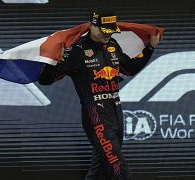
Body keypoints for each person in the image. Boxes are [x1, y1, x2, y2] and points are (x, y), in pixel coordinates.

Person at [38, 8, 161, 180]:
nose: (107, 35)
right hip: (95, 118)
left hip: (116, 115)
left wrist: (149, 48)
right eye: (104, 31)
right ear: (92, 26)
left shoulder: (112, 45)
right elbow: (45, 80)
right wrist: (52, 60)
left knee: (99, 172)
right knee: (119, 169)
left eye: (111, 31)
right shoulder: (76, 50)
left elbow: (129, 69)